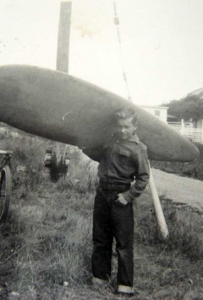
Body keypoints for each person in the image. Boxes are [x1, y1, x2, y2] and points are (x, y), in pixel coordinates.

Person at [83, 107, 150, 295]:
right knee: (100, 238)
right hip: (102, 195)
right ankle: (100, 277)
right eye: (120, 126)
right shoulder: (111, 141)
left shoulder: (139, 148)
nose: (122, 130)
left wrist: (128, 196)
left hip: (121, 199)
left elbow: (143, 177)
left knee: (123, 244)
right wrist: (85, 145)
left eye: (127, 126)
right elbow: (97, 155)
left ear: (134, 126)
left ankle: (125, 285)